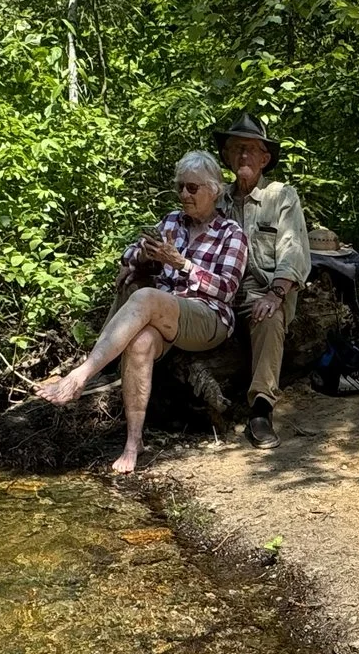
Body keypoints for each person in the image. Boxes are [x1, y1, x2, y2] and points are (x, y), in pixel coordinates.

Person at [35, 151, 247, 474]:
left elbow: (226, 289)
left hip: (208, 316)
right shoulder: (172, 222)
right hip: (165, 313)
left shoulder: (231, 233)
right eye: (180, 188)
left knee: (147, 297)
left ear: (214, 190)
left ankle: (80, 375)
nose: (184, 195)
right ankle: (133, 443)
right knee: (141, 342)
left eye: (192, 188)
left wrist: (183, 264)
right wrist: (141, 262)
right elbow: (130, 254)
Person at [217, 115, 311, 449]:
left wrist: (276, 293)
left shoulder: (281, 196)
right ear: (226, 157)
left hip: (264, 290)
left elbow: (294, 252)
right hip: (220, 291)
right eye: (236, 149)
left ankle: (260, 408)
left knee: (268, 316)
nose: (242, 156)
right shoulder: (217, 199)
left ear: (264, 158)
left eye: (250, 150)